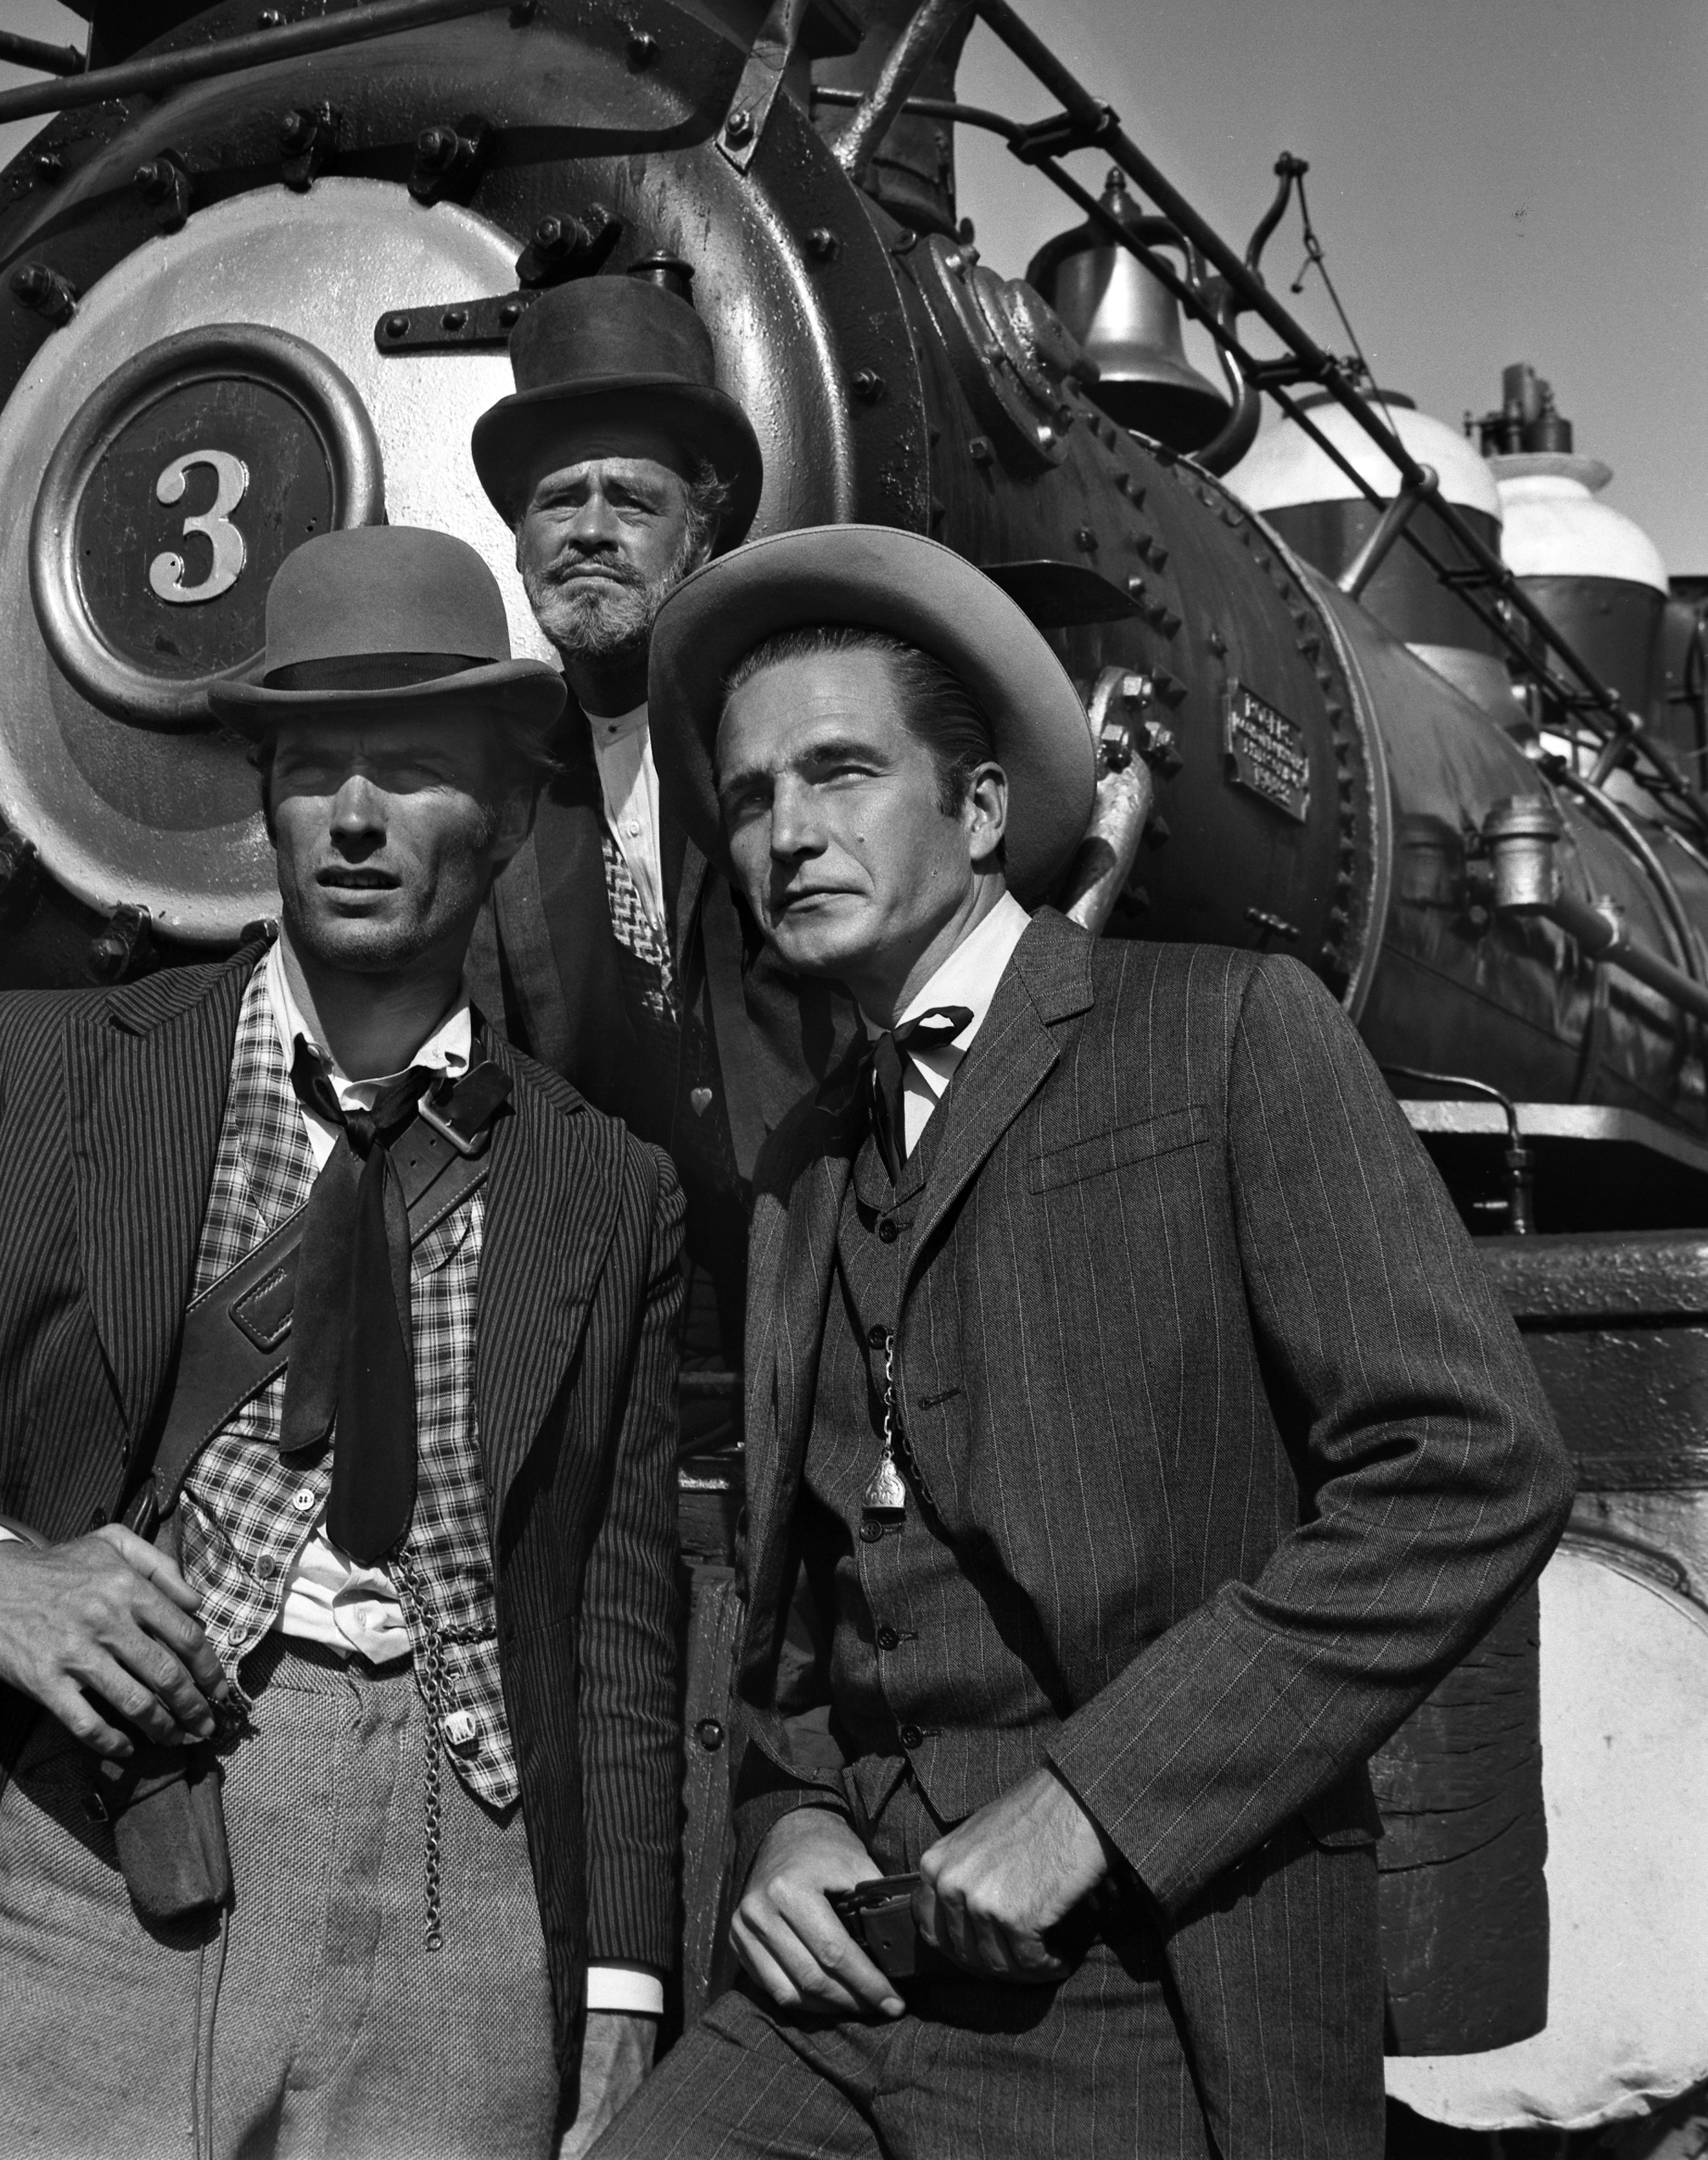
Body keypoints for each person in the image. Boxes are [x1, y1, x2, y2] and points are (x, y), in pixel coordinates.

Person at [602, 523, 1577, 2160]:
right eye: (754, 796)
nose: (786, 833)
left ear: (982, 811)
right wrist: (783, 1827)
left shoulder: (1226, 1034)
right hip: (842, 1985)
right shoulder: (800, 1170)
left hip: (1148, 1968)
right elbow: (806, 1624)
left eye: (841, 773)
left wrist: (1092, 1806)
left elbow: (1471, 1465)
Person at [0, 527, 684, 2160]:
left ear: (514, 808)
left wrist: (618, 1982)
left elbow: (614, 1606)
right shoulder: (38, 1070)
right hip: (96, 1860)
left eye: (415, 767)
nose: (359, 817)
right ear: (266, 801)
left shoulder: (608, 1188)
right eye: (316, 767)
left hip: (468, 1893)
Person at [468, 263, 848, 1400]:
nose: (589, 532)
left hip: (814, 1294)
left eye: (631, 502)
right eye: (555, 502)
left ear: (701, 524)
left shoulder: (785, 737)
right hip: (603, 1324)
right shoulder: (496, 786)